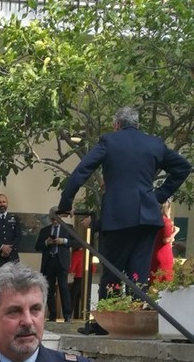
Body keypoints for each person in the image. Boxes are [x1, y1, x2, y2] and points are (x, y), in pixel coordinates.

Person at [58, 106, 191, 298]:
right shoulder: (154, 144)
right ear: (136, 124)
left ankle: (103, 324)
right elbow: (183, 168)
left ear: (117, 124)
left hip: (117, 217)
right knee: (138, 275)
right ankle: (134, 319)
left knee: (112, 272)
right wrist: (157, 196)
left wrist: (66, 204)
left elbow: (82, 171)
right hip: (147, 218)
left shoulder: (109, 141)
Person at [35, 208, 74, 321]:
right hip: (49, 261)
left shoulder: (68, 228)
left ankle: (67, 315)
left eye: (56, 219)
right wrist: (47, 242)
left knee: (63, 287)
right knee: (49, 289)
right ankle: (52, 315)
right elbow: (37, 246)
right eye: (52, 219)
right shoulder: (45, 230)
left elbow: (77, 242)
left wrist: (64, 241)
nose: (54, 221)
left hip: (61, 261)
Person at [150, 200, 179, 284]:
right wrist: (176, 232)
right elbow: (166, 240)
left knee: (155, 279)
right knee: (165, 279)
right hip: (164, 254)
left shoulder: (154, 220)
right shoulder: (166, 222)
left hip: (155, 253)